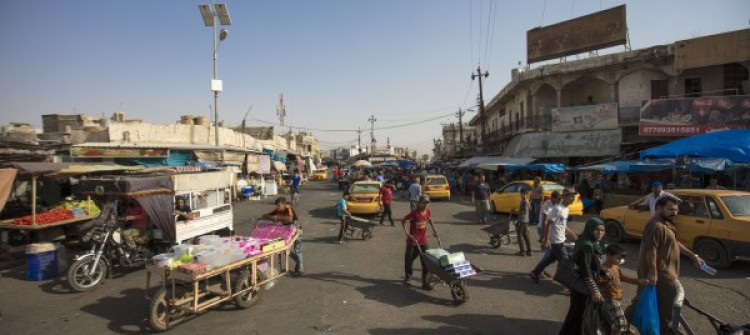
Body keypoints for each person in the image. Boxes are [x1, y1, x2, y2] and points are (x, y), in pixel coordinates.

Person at [635, 195, 704, 334]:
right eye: (670, 209)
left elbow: (674, 242)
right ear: (659, 208)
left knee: (660, 306)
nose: (674, 212)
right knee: (665, 310)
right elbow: (651, 249)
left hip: (668, 272)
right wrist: (653, 272)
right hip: (662, 275)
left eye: (676, 209)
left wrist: (692, 255)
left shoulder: (666, 223)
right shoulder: (655, 225)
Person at [559, 217, 607, 335]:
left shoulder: (592, 243)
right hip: (582, 285)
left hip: (585, 285)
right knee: (578, 314)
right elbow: (585, 269)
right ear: (590, 229)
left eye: (602, 230)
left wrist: (604, 273)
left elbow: (593, 263)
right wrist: (595, 291)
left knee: (580, 314)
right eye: (597, 230)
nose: (600, 233)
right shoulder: (587, 246)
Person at [529, 188, 578, 283]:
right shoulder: (557, 209)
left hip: (561, 239)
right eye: (571, 197)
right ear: (565, 197)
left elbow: (563, 225)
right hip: (556, 241)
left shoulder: (566, 209)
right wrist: (545, 240)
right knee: (565, 261)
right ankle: (568, 282)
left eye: (573, 197)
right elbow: (548, 224)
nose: (572, 199)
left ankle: (535, 273)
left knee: (550, 259)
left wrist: (573, 235)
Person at [600, 244, 648, 335]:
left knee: (616, 319)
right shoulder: (603, 270)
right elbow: (598, 282)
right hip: (609, 299)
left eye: (620, 258)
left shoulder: (615, 266)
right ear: (608, 255)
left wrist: (638, 281)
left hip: (617, 297)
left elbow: (623, 278)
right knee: (620, 323)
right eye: (617, 258)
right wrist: (606, 281)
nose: (619, 261)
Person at [401, 195, 439, 290]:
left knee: (426, 261)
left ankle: (425, 283)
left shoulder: (428, 212)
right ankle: (408, 277)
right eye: (424, 203)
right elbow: (403, 220)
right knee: (409, 259)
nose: (426, 205)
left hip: (423, 240)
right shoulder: (415, 213)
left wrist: (434, 230)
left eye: (428, 203)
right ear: (420, 203)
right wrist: (407, 234)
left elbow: (430, 220)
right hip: (413, 241)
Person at [264, 197, 304, 275]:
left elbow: (289, 218)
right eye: (276, 206)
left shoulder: (288, 208)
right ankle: (297, 260)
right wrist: (270, 217)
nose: (277, 207)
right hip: (287, 232)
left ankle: (301, 269)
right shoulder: (277, 210)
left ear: (283, 205)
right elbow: (266, 215)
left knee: (297, 250)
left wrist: (277, 218)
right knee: (285, 249)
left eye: (279, 205)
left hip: (296, 230)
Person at [511, 189, 532, 256]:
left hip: (522, 220)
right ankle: (529, 251)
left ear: (526, 194)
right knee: (526, 236)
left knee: (520, 236)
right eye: (521, 194)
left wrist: (515, 212)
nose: (522, 195)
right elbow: (529, 209)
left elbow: (524, 212)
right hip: (526, 220)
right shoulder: (527, 201)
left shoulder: (525, 201)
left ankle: (522, 251)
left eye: (524, 194)